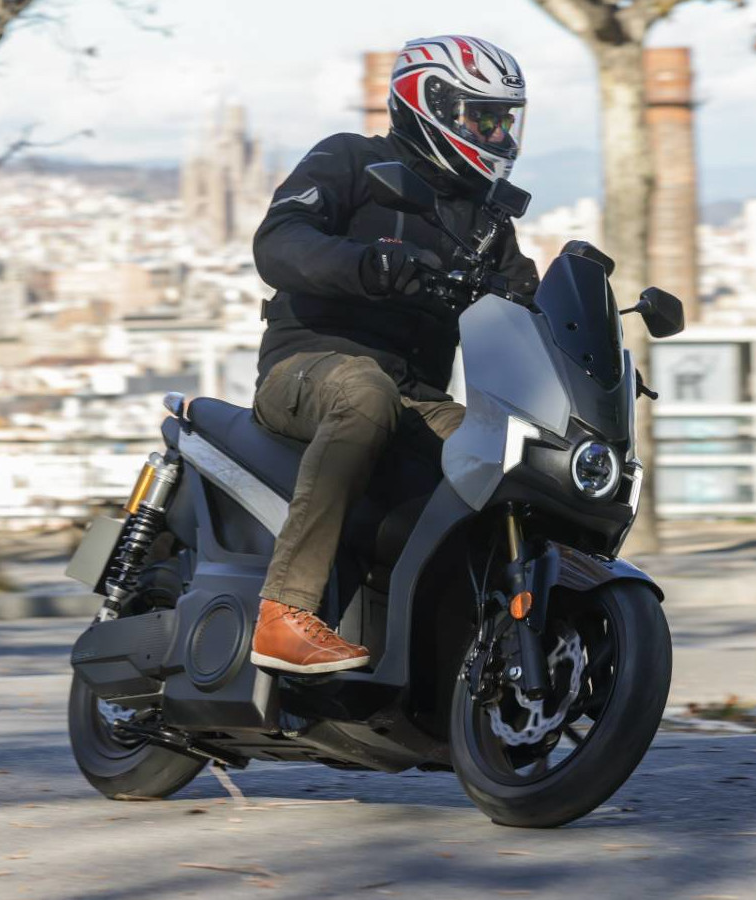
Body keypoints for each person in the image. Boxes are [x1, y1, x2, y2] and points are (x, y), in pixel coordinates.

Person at [249, 35, 541, 675]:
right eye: (481, 117)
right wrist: (365, 264)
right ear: (427, 103)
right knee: (365, 390)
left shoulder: (488, 221)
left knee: (514, 454)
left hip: (420, 400)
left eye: (503, 120)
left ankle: (470, 642)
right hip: (307, 370)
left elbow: (525, 305)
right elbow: (278, 241)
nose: (495, 134)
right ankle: (282, 613)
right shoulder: (348, 160)